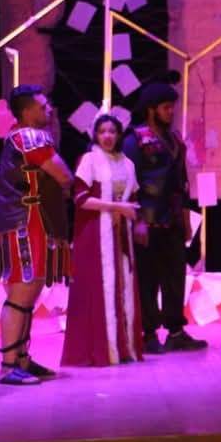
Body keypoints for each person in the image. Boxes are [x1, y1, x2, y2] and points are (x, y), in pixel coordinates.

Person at [0, 84, 74, 385]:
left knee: (29, 291)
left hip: (28, 220)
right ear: (26, 112)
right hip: (25, 222)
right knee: (21, 292)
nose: (49, 110)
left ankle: (22, 359)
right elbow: (63, 175)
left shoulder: (17, 137)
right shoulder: (30, 136)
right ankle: (8, 365)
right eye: (42, 106)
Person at [122, 82, 207, 354]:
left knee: (175, 276)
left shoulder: (175, 140)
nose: (171, 112)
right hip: (147, 219)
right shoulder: (134, 140)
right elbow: (129, 182)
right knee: (147, 278)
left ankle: (176, 332)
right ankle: (148, 334)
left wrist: (186, 219)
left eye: (172, 107)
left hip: (173, 218)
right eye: (166, 107)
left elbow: (182, 182)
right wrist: (138, 220)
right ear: (151, 109)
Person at [61, 114, 144, 366]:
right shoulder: (89, 160)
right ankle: (100, 350)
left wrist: (133, 215)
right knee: (97, 287)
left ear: (119, 135)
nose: (107, 136)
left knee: (123, 285)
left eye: (112, 131)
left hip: (121, 234)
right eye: (102, 131)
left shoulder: (128, 164)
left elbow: (134, 199)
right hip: (94, 234)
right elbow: (81, 199)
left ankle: (123, 348)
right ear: (95, 135)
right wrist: (116, 207)